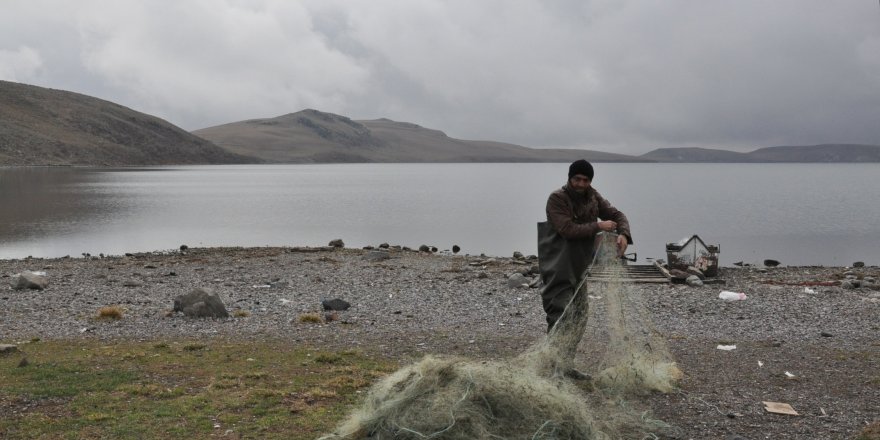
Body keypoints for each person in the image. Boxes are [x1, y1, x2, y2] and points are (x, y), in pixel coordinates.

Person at [538, 159, 632, 332]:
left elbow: (617, 214)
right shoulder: (557, 198)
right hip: (557, 268)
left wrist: (624, 234)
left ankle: (566, 358)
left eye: (586, 180)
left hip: (579, 267)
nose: (581, 184)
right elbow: (567, 229)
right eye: (577, 179)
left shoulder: (593, 196)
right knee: (560, 317)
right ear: (569, 178)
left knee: (580, 317)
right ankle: (553, 358)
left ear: (590, 181)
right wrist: (598, 226)